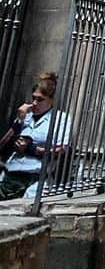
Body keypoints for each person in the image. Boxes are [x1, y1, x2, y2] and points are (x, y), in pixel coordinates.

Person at [0, 72, 68, 200]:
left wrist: (31, 149)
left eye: (40, 99)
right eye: (33, 98)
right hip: (11, 172)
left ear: (51, 100)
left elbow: (62, 149)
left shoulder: (61, 118)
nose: (35, 103)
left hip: (35, 176)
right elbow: (2, 145)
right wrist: (19, 121)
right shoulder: (26, 115)